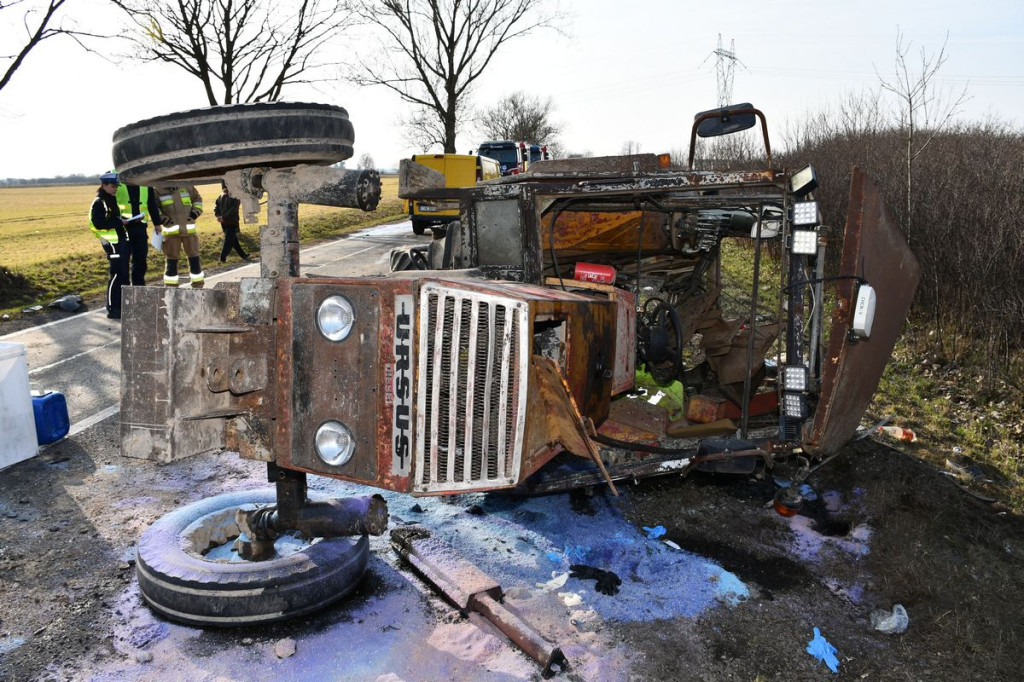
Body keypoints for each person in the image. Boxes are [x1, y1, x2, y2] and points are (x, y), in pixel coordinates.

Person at [89, 171, 129, 319]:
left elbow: (113, 218)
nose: (115, 189)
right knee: (116, 274)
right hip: (112, 243)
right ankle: (112, 308)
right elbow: (98, 224)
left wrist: (124, 220)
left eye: (116, 186)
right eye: (113, 186)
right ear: (104, 185)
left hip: (119, 240)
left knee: (122, 274)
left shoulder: (110, 199)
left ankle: (120, 306)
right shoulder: (99, 202)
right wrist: (119, 222)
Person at [114, 176, 163, 286]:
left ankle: (139, 287)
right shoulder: (114, 176)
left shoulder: (144, 177)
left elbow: (151, 202)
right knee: (123, 260)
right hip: (122, 227)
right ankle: (124, 288)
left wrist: (157, 223)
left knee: (140, 260)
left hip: (140, 226)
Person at [154, 184, 205, 288]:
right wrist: (164, 219)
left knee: (194, 258)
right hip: (171, 233)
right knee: (171, 261)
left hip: (189, 231)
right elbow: (154, 208)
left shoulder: (188, 186)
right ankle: (170, 287)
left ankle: (198, 286)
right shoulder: (157, 189)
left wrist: (194, 213)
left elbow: (197, 200)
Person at [214, 181, 250, 262]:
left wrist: (219, 216)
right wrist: (222, 216)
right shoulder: (235, 196)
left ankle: (243, 255)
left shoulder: (220, 196)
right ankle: (222, 258)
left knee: (233, 240)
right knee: (229, 241)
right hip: (231, 221)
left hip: (223, 222)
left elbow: (216, 207)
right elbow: (233, 209)